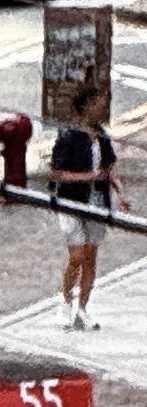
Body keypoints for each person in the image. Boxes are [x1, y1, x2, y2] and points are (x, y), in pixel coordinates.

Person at [52, 109, 123, 330]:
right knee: (77, 256)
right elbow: (58, 173)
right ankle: (65, 302)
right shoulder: (69, 137)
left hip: (97, 203)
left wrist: (119, 190)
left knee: (90, 258)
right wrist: (88, 176)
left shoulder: (102, 137)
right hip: (71, 202)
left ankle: (82, 309)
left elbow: (109, 168)